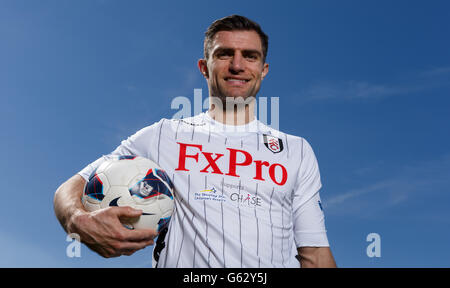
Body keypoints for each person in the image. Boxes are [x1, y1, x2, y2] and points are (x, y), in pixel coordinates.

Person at [53, 15, 337, 268]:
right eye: (225, 54)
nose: (237, 65)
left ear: (263, 69)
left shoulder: (296, 150)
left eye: (249, 56)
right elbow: (71, 187)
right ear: (204, 67)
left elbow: (315, 254)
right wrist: (78, 220)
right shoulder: (163, 135)